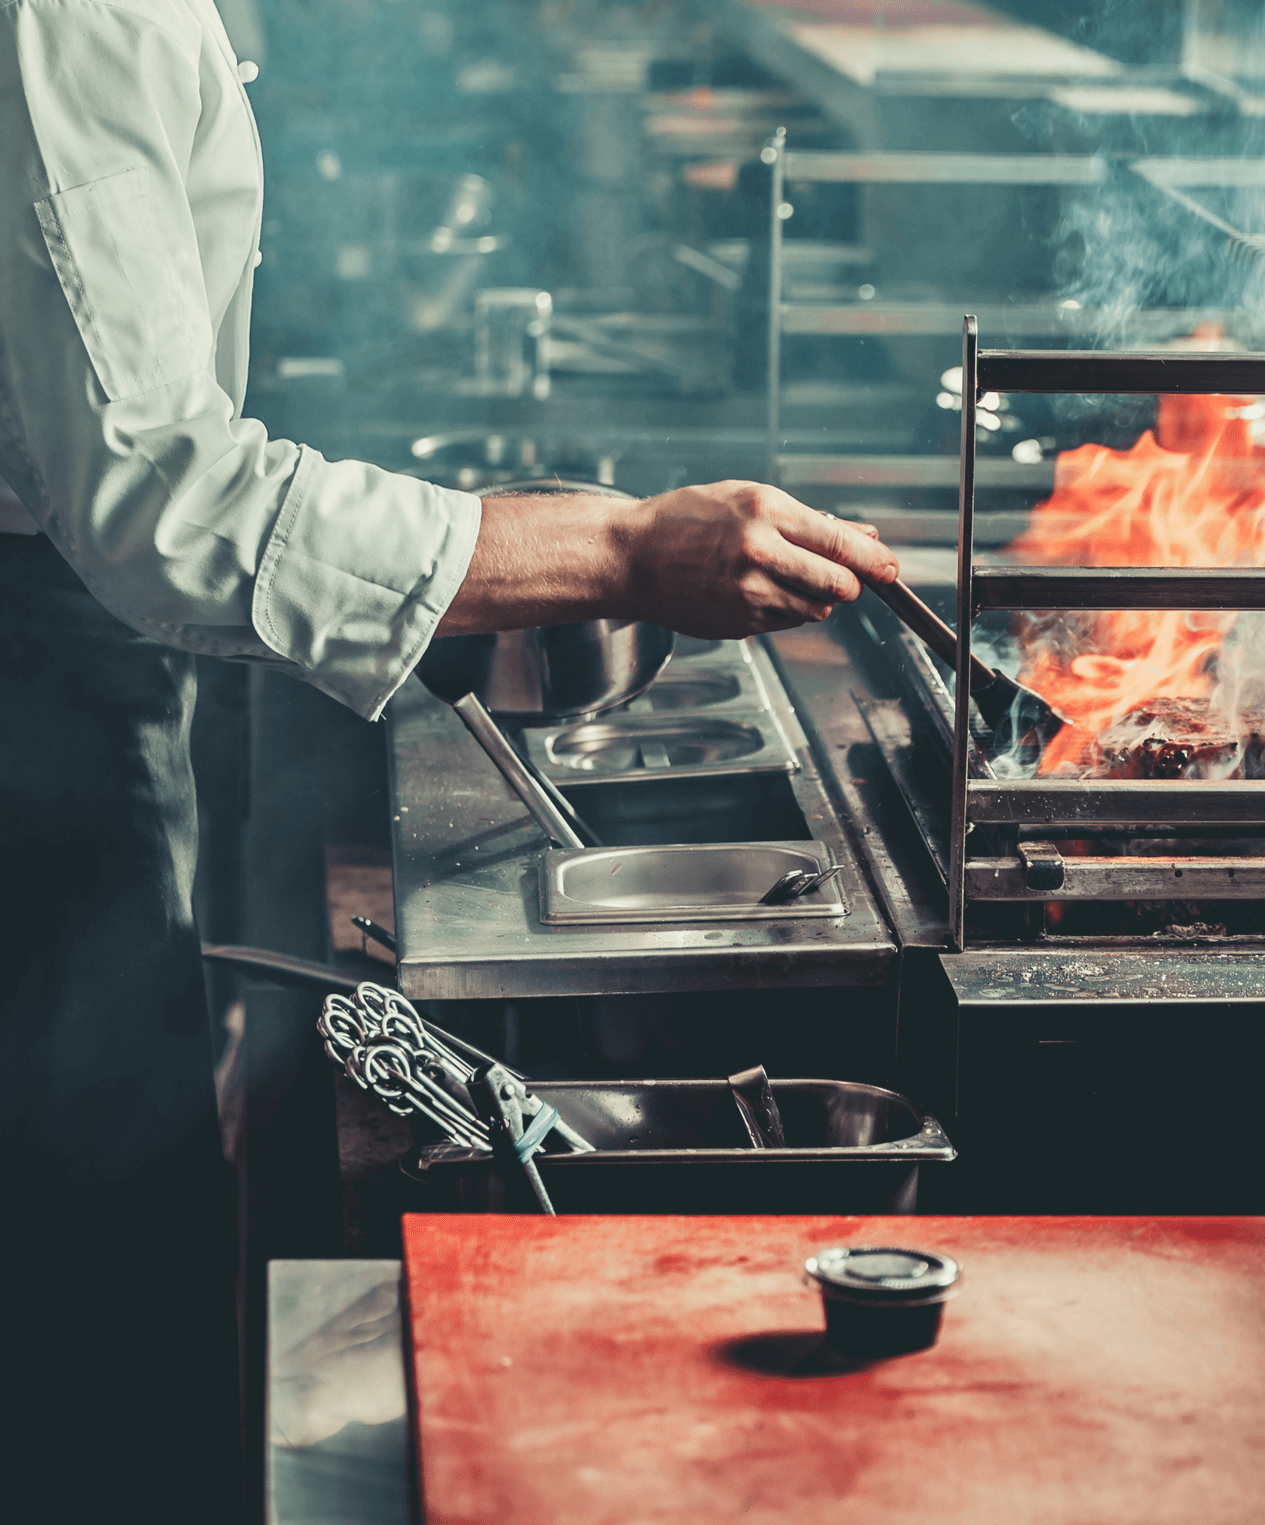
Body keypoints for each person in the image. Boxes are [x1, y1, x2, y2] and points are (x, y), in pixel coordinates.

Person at [0, 0, 898, 1518]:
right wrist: (616, 544)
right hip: (35, 673)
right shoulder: (85, 15)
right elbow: (164, 501)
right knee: (89, 1280)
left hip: (68, 647)